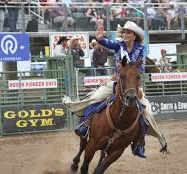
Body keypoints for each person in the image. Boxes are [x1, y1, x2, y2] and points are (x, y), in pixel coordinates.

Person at [62, 21, 167, 158]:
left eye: (128, 32)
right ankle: (84, 125)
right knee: (95, 97)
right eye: (123, 32)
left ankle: (139, 144)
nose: (125, 34)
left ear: (134, 36)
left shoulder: (141, 49)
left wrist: (129, 74)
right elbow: (108, 43)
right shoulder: (119, 45)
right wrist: (99, 39)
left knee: (147, 112)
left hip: (132, 85)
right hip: (116, 82)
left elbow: (140, 69)